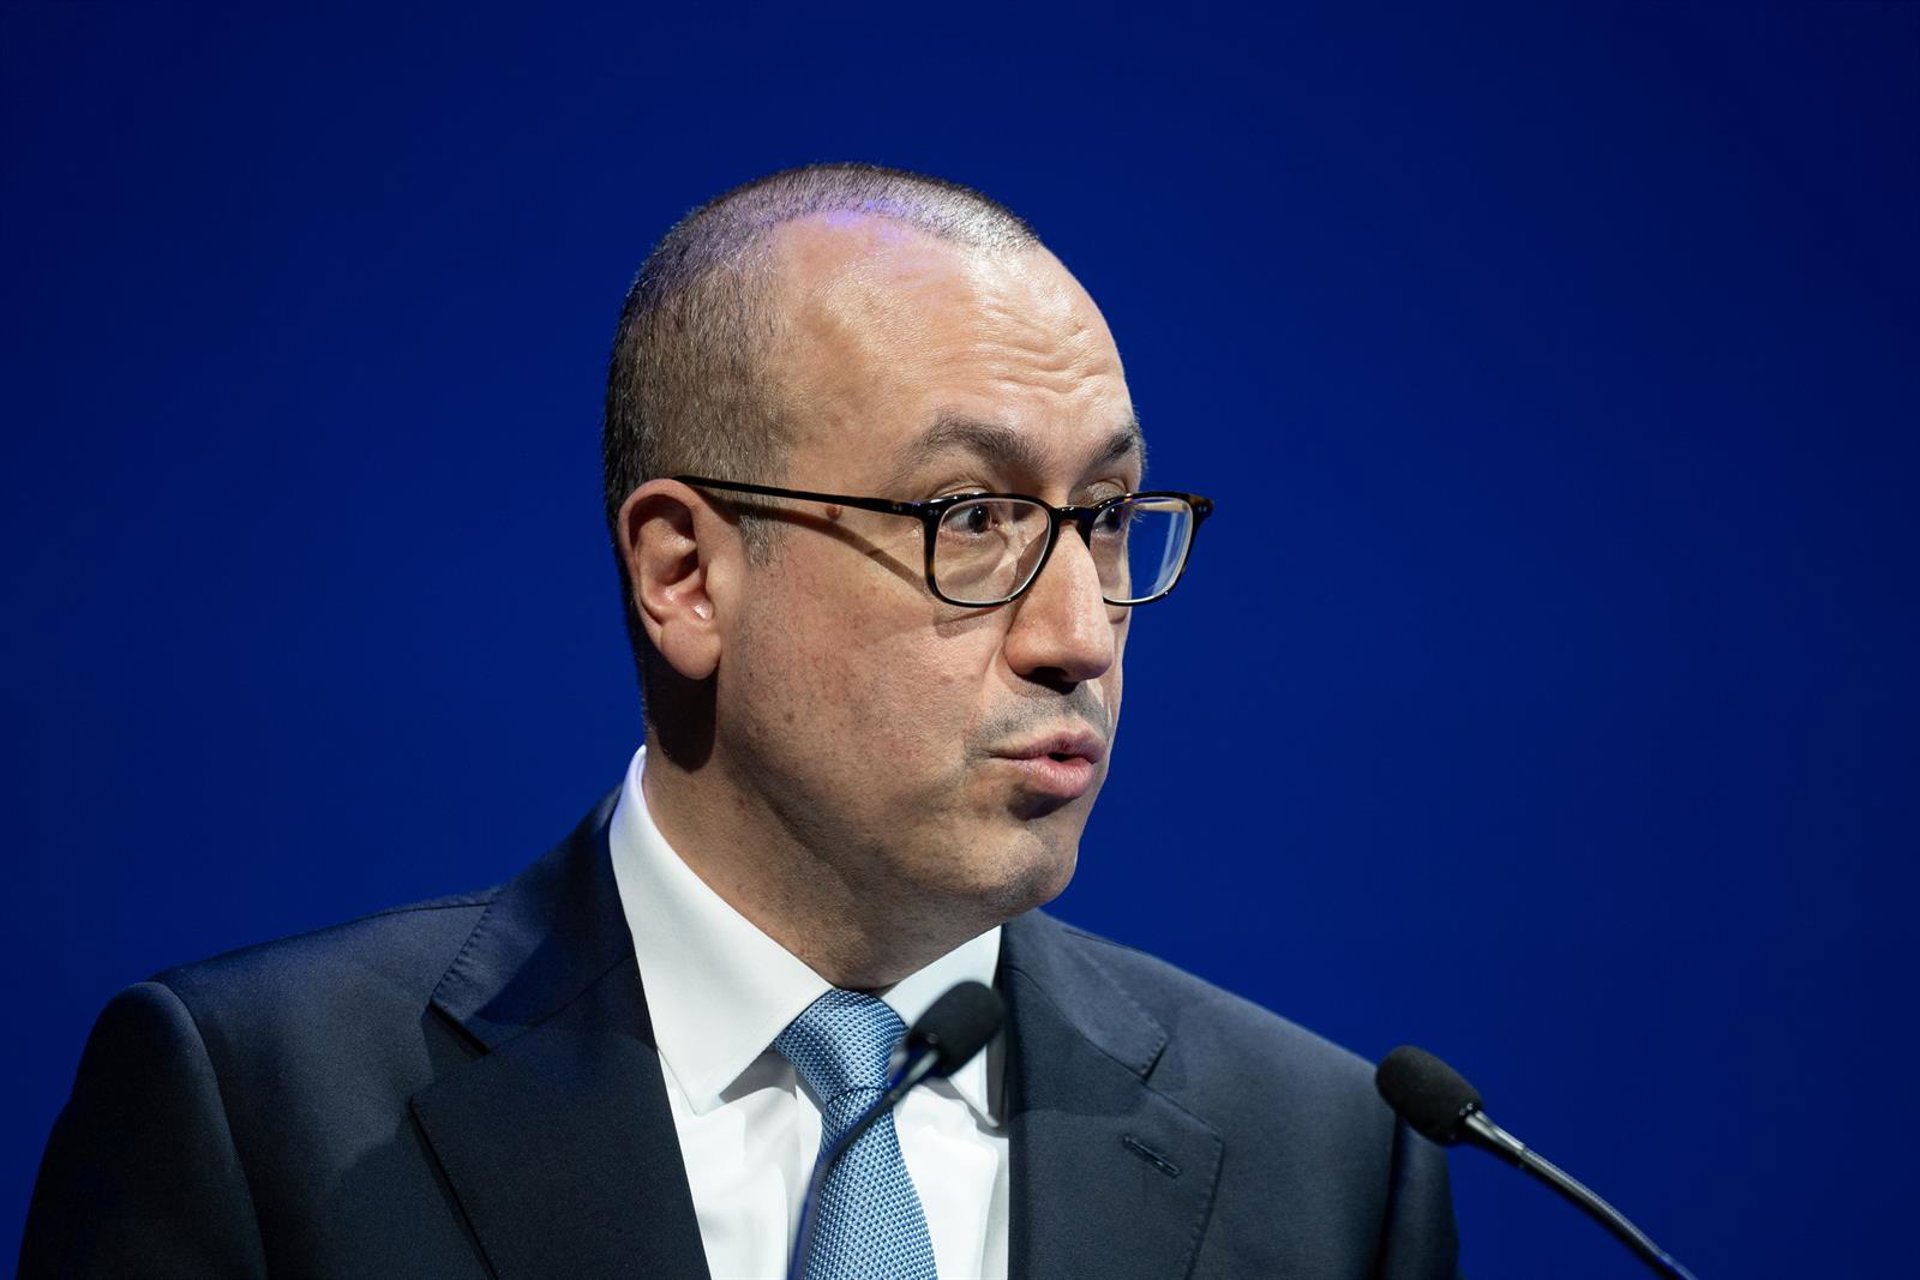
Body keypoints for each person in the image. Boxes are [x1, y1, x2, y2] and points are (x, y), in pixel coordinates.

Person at [22, 164, 1459, 1278]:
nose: (1079, 632)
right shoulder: (263, 1115)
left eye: (1101, 516)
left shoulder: (1331, 1164)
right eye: (971, 517)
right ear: (686, 577)